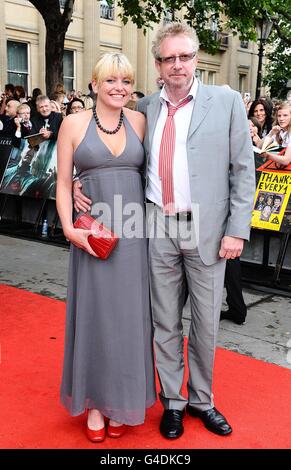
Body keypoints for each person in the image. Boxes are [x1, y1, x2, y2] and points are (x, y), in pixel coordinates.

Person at [74, 22, 255, 439]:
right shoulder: (145, 109)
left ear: (196, 60)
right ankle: (173, 401)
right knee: (165, 321)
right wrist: (81, 179)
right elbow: (111, 151)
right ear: (157, 65)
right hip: (155, 225)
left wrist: (237, 231)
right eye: (169, 58)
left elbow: (243, 171)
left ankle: (202, 400)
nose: (178, 64)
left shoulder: (225, 102)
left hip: (207, 229)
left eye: (185, 56)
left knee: (207, 323)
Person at [56, 52, 156, 443]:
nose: (120, 88)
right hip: (91, 235)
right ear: (94, 84)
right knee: (96, 318)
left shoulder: (141, 121)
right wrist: (68, 228)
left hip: (134, 237)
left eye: (127, 81)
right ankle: (96, 403)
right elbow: (64, 182)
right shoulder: (73, 124)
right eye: (111, 80)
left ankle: (123, 401)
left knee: (130, 321)